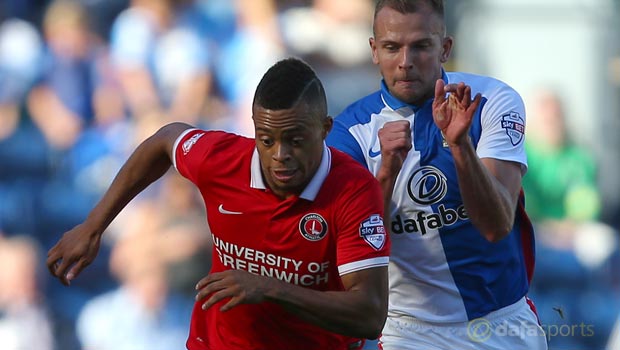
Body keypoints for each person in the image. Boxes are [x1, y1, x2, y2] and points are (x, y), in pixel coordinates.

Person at [46, 57, 390, 350]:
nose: (280, 155)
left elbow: (369, 314)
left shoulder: (353, 190)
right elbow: (165, 141)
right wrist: (94, 226)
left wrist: (268, 287)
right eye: (266, 140)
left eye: (296, 140)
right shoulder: (223, 160)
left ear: (325, 129)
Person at [326, 1, 547, 349]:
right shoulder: (348, 133)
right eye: (391, 47)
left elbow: (496, 225)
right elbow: (359, 248)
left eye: (421, 46)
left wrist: (460, 146)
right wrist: (386, 173)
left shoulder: (491, 101)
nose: (405, 61)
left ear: (445, 48)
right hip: (408, 330)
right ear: (373, 50)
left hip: (500, 323)